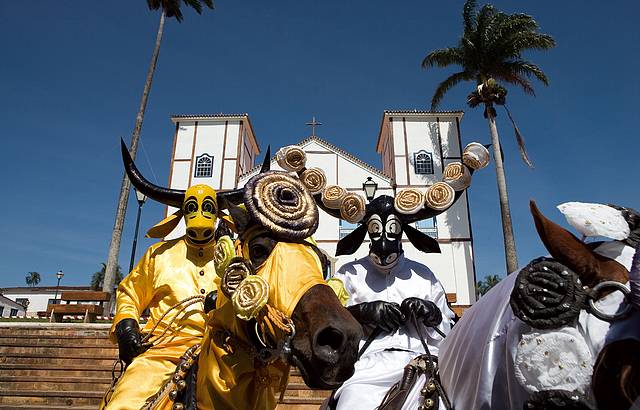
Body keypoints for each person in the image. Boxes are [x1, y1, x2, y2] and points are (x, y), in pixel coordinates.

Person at [102, 142, 226, 409]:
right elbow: (130, 294)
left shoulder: (235, 256)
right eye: (192, 207)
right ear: (183, 213)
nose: (200, 216)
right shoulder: (159, 254)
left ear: (218, 214)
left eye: (208, 208)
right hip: (162, 351)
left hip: (225, 353)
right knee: (124, 403)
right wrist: (125, 325)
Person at [330, 195, 455, 410]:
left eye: (392, 229)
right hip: (365, 368)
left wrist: (432, 314)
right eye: (376, 231)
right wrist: (359, 314)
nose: (383, 241)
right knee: (352, 401)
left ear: (401, 231)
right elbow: (329, 319)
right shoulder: (349, 274)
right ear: (368, 231)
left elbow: (448, 330)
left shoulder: (424, 275)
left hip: (422, 363)